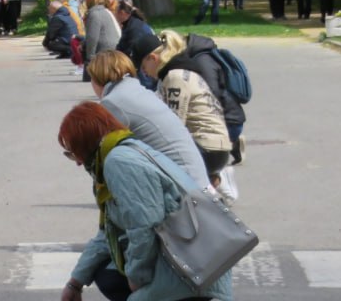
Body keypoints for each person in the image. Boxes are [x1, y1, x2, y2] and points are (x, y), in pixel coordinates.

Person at [57, 101, 233, 301]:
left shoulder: (119, 162)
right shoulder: (124, 150)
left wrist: (137, 277)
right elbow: (109, 232)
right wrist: (76, 282)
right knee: (106, 273)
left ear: (86, 142)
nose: (78, 162)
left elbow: (145, 225)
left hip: (191, 270)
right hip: (188, 258)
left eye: (73, 152)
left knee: (115, 279)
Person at [88, 50, 210, 188]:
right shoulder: (136, 89)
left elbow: (99, 150)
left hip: (182, 184)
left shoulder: (113, 101)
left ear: (97, 77)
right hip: (194, 176)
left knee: (114, 160)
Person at [140, 31, 232, 186]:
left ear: (153, 58)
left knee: (151, 157)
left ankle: (207, 191)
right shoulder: (181, 70)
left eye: (143, 66)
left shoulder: (175, 77)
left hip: (208, 148)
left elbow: (174, 125)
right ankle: (211, 187)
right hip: (216, 145)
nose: (144, 72)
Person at [82, 0, 121, 80]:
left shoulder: (94, 14)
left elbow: (92, 37)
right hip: (115, 44)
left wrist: (90, 56)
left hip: (105, 47)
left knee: (83, 46)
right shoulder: (107, 11)